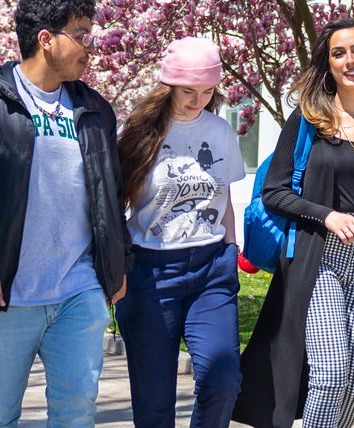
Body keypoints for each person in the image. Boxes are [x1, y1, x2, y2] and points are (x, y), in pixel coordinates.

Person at [233, 19, 354, 428]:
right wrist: (328, 216)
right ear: (328, 65)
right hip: (319, 257)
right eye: (339, 53)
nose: (350, 60)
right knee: (333, 369)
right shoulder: (309, 120)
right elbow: (275, 192)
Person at [0, 0, 129, 428]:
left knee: (76, 412)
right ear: (46, 39)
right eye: (80, 34)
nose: (89, 47)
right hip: (7, 292)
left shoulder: (95, 109)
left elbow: (108, 193)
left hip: (78, 291)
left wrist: (116, 267)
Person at [114, 37, 244, 428]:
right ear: (167, 86)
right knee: (154, 402)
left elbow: (224, 198)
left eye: (207, 91)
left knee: (223, 380)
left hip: (211, 269)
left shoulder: (220, 131)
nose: (198, 101)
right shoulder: (134, 134)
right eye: (189, 91)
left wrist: (231, 250)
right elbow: (114, 204)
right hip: (150, 273)